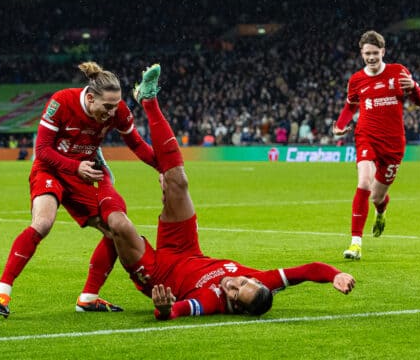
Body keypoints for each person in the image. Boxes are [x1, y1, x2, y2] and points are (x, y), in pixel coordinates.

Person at [103, 64, 355, 320]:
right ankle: (149, 100)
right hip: (186, 248)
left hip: (158, 274)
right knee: (178, 180)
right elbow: (309, 270)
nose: (232, 284)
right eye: (243, 283)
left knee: (118, 224)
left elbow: (176, 311)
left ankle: (91, 189)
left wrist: (165, 308)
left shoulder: (210, 301)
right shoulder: (260, 279)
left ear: (236, 307)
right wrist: (336, 274)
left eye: (235, 294)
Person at [0, 61, 159, 318]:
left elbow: (137, 145)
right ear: (90, 98)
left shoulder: (118, 111)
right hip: (51, 169)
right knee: (43, 223)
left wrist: (166, 168)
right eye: (107, 107)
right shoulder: (61, 102)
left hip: (86, 173)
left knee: (116, 228)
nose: (113, 113)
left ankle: (88, 298)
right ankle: (1, 290)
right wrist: (74, 167)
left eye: (116, 106)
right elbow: (42, 151)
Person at [332, 30, 420, 260]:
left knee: (376, 196)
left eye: (375, 53)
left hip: (393, 143)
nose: (371, 57)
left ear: (383, 52)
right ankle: (355, 243)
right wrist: (340, 124)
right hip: (366, 136)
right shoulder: (356, 80)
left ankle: (381, 211)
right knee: (364, 182)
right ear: (361, 53)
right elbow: (350, 106)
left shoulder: (398, 72)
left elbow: (419, 101)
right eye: (367, 54)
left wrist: (413, 86)